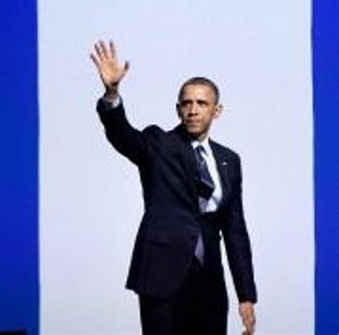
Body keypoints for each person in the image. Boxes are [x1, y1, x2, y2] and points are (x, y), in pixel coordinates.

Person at [91, 40, 257, 335]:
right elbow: (123, 135)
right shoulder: (159, 144)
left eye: (201, 103)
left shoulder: (229, 160)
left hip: (209, 283)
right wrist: (112, 94)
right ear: (178, 109)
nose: (193, 110)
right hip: (162, 276)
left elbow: (235, 230)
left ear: (217, 110)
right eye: (186, 103)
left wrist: (245, 295)